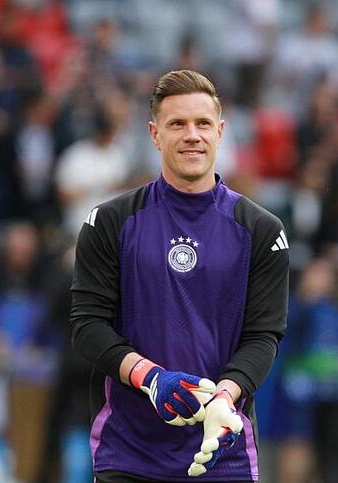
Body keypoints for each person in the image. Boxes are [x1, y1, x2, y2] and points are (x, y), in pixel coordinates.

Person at [70, 70, 289, 482]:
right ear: (155, 135)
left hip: (224, 455)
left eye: (203, 124)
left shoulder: (262, 230)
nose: (192, 136)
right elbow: (87, 326)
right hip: (128, 455)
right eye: (177, 124)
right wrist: (152, 379)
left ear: (220, 132)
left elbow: (263, 336)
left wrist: (225, 397)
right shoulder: (110, 222)